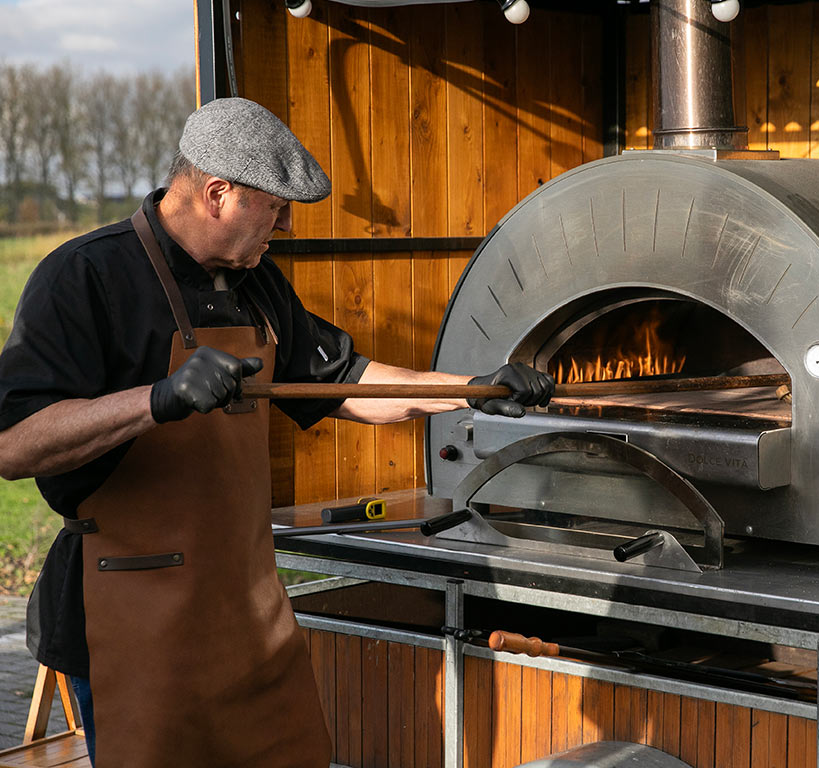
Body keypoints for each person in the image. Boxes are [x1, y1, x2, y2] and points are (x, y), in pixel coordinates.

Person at [0, 97, 553, 768]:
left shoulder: (255, 283)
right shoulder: (85, 278)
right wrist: (158, 400)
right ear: (217, 195)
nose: (286, 226)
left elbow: (349, 381)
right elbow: (16, 444)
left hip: (246, 616)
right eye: (276, 207)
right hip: (128, 615)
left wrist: (474, 390)